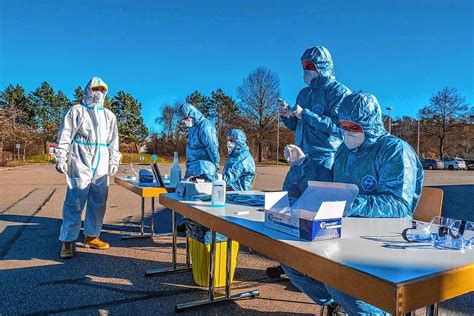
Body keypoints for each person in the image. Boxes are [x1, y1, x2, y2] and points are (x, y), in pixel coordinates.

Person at [282, 93, 424, 315]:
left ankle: (370, 308)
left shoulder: (394, 150)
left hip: (382, 241)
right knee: (292, 259)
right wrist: (304, 163)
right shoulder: (343, 150)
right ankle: (336, 304)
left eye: (353, 126)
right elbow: (331, 181)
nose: (347, 131)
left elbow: (398, 206)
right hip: (343, 233)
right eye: (343, 125)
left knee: (340, 280)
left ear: (369, 122)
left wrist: (350, 203)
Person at [267, 45, 351, 277]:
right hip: (298, 157)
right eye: (303, 66)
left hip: (323, 159)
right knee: (287, 206)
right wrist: (287, 116)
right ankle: (288, 260)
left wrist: (306, 114)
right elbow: (296, 125)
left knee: (315, 213)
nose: (306, 71)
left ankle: (318, 265)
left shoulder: (339, 92)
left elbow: (338, 129)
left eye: (310, 66)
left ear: (322, 67)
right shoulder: (303, 93)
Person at [55, 77, 120, 259]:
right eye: (95, 88)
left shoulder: (109, 116)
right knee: (75, 200)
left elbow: (114, 141)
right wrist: (61, 156)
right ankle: (67, 241)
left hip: (102, 160)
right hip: (80, 158)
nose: (99, 92)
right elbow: (65, 135)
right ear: (88, 90)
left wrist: (114, 160)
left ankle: (92, 236)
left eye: (102, 89)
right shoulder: (77, 111)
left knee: (99, 201)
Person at [179, 103, 219, 181]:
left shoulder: (205, 126)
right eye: (183, 119)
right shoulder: (192, 127)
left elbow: (212, 146)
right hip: (192, 167)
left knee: (203, 191)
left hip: (205, 169)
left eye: (186, 118)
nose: (184, 121)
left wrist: (216, 162)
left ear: (192, 114)